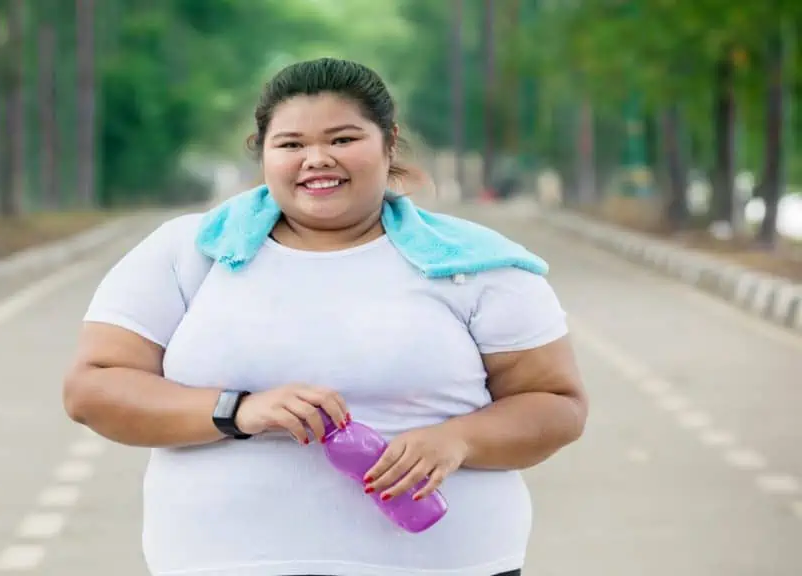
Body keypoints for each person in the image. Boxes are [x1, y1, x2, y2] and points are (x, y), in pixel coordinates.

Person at [63, 57, 588, 576]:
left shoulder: (475, 262)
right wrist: (237, 411)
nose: (317, 159)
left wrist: (458, 440)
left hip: (448, 565)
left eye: (342, 140)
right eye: (291, 145)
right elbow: (94, 389)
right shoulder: (190, 251)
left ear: (388, 142)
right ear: (263, 153)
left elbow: (555, 403)